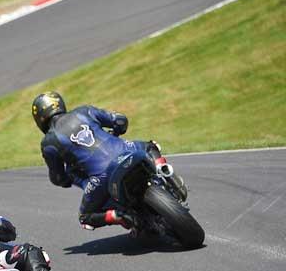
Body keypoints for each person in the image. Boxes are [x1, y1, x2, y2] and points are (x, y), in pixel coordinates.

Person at [32, 91, 185, 230]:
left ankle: (118, 216)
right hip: (127, 150)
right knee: (151, 146)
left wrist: (67, 179)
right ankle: (163, 171)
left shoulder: (48, 142)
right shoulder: (84, 111)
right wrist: (116, 132)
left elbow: (58, 177)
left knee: (85, 218)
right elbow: (120, 120)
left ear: (39, 118)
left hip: (100, 178)